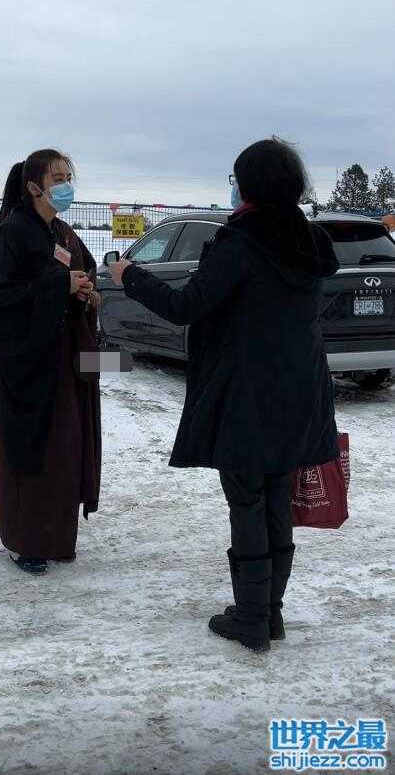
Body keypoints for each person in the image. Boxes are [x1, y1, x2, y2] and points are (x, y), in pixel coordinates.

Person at [108, 137, 339, 652]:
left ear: (250, 184)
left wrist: (131, 275)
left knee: (247, 498)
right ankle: (270, 613)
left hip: (246, 391)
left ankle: (252, 619)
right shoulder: (308, 241)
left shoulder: (241, 242)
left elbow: (185, 306)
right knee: (275, 492)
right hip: (298, 387)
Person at [0, 149, 102, 575]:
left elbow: (85, 272)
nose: (66, 185)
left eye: (69, 177)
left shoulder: (63, 232)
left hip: (67, 362)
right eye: (58, 178)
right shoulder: (12, 233)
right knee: (31, 454)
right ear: (34, 186)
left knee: (65, 450)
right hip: (28, 367)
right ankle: (26, 542)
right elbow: (0, 299)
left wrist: (87, 292)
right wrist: (58, 285)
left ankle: (56, 538)